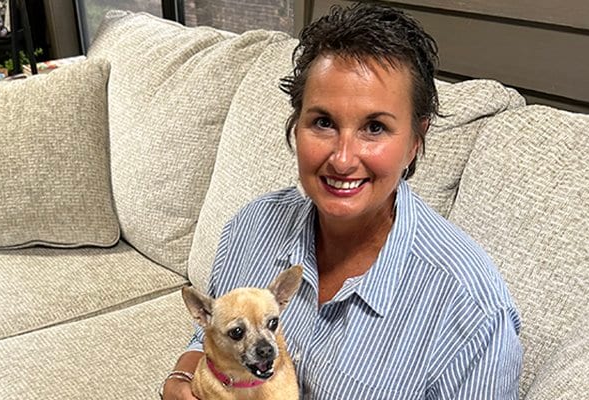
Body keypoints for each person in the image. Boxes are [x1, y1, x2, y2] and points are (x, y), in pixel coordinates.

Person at [161, 4, 522, 399]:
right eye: (323, 122)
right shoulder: (250, 228)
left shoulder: (472, 311)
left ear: (415, 142)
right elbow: (212, 334)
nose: (344, 158)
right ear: (296, 126)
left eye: (374, 127)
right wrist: (181, 379)